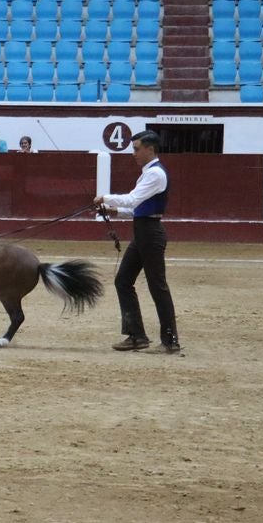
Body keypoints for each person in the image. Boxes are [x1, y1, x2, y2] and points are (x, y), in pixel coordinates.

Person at [95, 130, 181, 355]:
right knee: (123, 281)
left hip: (150, 234)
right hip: (144, 232)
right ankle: (137, 336)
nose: (133, 153)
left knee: (157, 286)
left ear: (150, 149)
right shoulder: (150, 173)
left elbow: (133, 199)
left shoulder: (155, 174)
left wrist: (105, 197)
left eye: (136, 149)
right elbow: (137, 207)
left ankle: (170, 341)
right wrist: (113, 211)